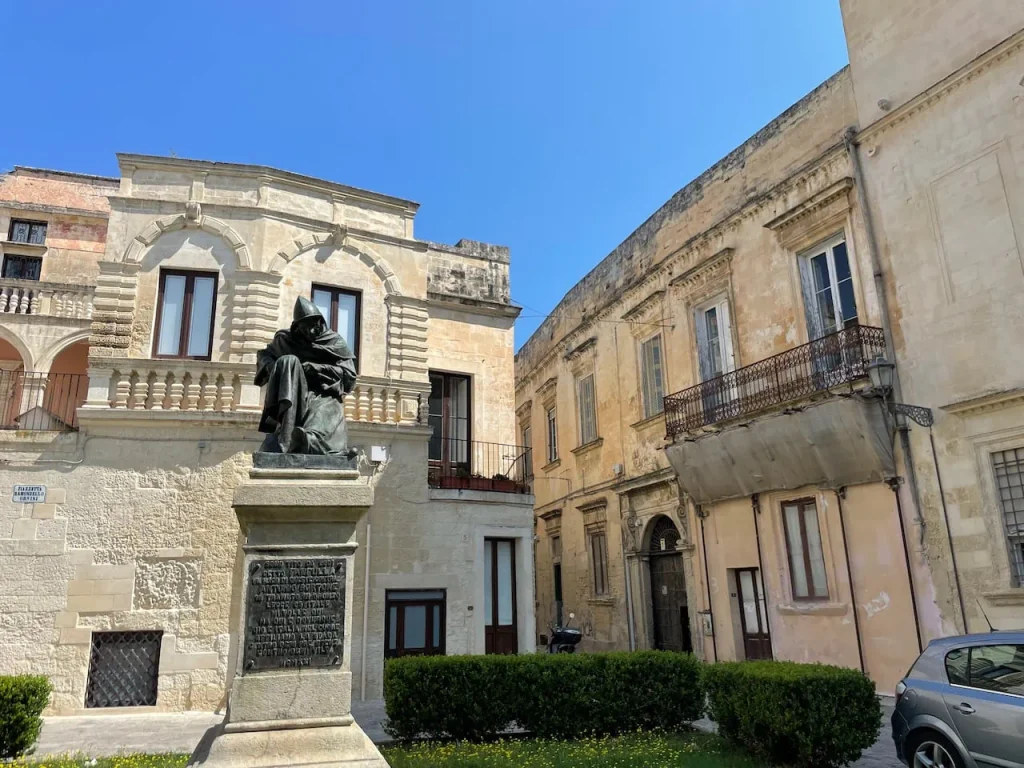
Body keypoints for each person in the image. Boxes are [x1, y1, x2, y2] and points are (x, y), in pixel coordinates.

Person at [255, 296, 357, 455]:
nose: (310, 332)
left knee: (324, 412)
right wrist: (277, 369)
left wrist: (315, 369)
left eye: (312, 326)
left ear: (319, 322)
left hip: (323, 393)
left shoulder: (334, 341)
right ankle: (288, 435)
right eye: (304, 328)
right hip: (292, 392)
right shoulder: (286, 340)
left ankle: (306, 440)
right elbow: (264, 356)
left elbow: (349, 377)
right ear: (296, 327)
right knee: (289, 361)